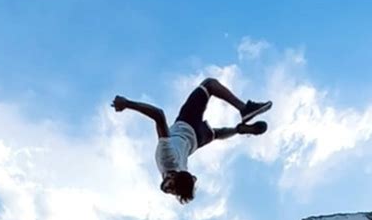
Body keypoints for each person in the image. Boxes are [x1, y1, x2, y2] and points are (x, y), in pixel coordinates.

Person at [111, 78, 272, 204]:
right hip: (187, 124)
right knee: (209, 84)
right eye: (171, 187)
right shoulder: (165, 158)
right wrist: (127, 103)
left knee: (216, 134)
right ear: (177, 176)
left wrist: (185, 186)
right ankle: (244, 109)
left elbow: (190, 180)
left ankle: (239, 130)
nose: (167, 188)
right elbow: (159, 115)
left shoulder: (184, 175)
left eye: (170, 190)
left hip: (197, 141)